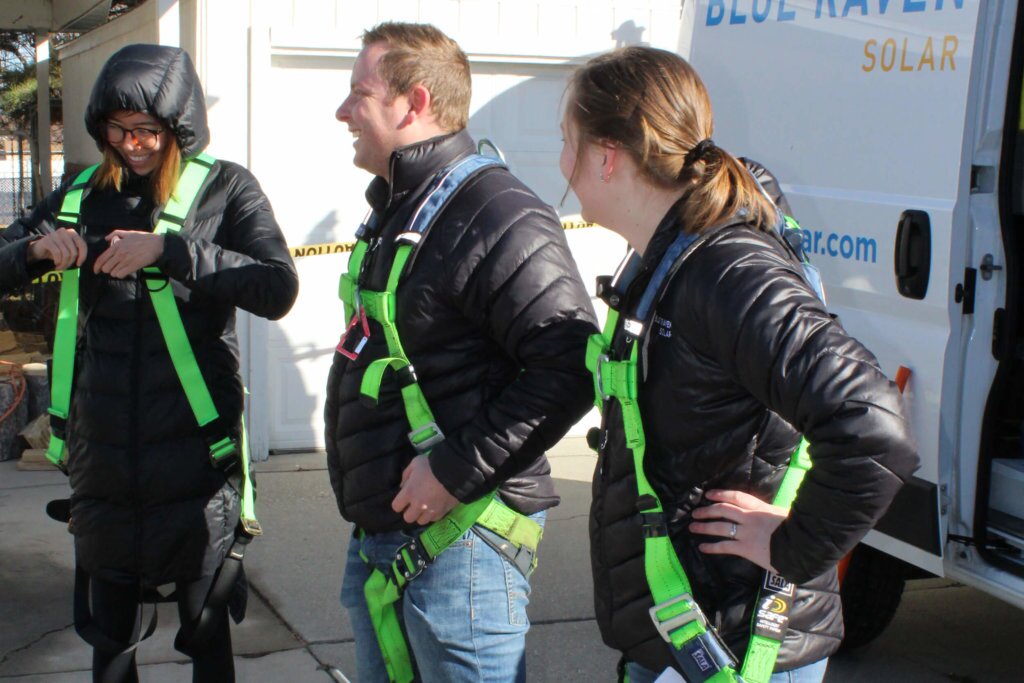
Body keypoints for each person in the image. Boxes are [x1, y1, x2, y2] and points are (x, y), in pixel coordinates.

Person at [559, 46, 919, 682]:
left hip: (737, 643)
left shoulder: (729, 273)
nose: (562, 165)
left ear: (608, 156)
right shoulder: (670, 259)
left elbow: (874, 427)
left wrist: (793, 544)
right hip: (685, 630)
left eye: (568, 142)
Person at [0, 44, 298, 682]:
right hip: (103, 457)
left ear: (178, 126)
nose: (130, 144)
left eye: (147, 131)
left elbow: (277, 287)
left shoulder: (224, 186)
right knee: (110, 643)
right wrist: (31, 253)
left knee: (207, 635)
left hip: (196, 450)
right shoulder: (82, 192)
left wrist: (171, 249)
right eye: (117, 129)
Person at [325, 22, 597, 683]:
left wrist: (452, 466)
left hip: (461, 546)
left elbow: (569, 366)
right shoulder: (402, 210)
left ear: (413, 103)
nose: (342, 111)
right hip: (392, 539)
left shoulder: (495, 212)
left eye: (359, 93)